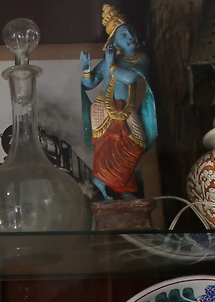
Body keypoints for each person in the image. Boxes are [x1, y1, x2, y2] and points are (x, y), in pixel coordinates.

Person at [80, 4, 158, 200]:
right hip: (103, 108)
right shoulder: (109, 61)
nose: (130, 37)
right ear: (114, 42)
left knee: (137, 144)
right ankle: (106, 183)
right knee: (105, 145)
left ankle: (123, 187)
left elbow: (130, 77)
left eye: (132, 33)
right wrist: (86, 70)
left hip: (127, 109)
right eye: (123, 35)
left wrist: (112, 65)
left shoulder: (141, 59)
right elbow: (89, 83)